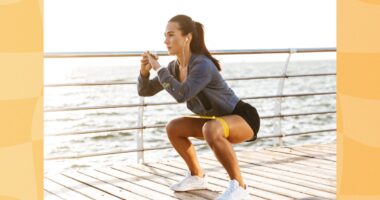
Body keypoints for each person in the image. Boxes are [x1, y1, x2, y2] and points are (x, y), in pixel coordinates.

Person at [137, 14, 260, 200]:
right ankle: (197, 176)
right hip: (214, 120)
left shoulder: (202, 64)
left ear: (187, 37)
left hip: (243, 117)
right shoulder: (174, 68)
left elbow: (181, 94)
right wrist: (144, 72)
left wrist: (158, 68)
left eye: (171, 35)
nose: (165, 41)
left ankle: (240, 188)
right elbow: (145, 91)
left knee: (211, 128)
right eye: (165, 35)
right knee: (174, 127)